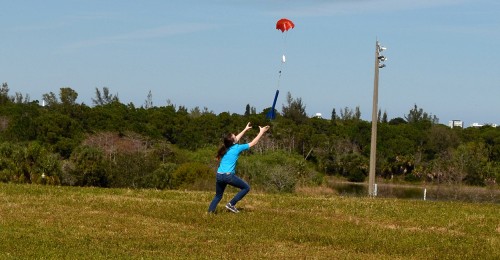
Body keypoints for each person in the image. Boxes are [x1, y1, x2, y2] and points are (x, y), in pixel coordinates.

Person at [208, 122, 270, 213]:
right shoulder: (237, 147)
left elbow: (235, 139)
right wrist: (261, 132)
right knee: (246, 188)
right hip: (228, 176)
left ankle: (209, 213)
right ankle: (231, 204)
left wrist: (245, 129)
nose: (236, 136)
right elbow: (253, 143)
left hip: (219, 175)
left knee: (218, 196)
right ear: (233, 141)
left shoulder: (225, 147)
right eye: (234, 136)